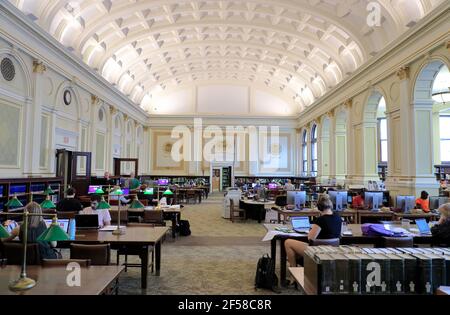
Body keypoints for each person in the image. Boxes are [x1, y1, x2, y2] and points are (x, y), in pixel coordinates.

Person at [284, 194, 342, 275]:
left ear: (319, 207)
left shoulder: (320, 220)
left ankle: (294, 274)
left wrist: (311, 230)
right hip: (332, 250)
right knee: (296, 250)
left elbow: (310, 238)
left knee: (288, 242)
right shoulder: (338, 217)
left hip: (317, 250)